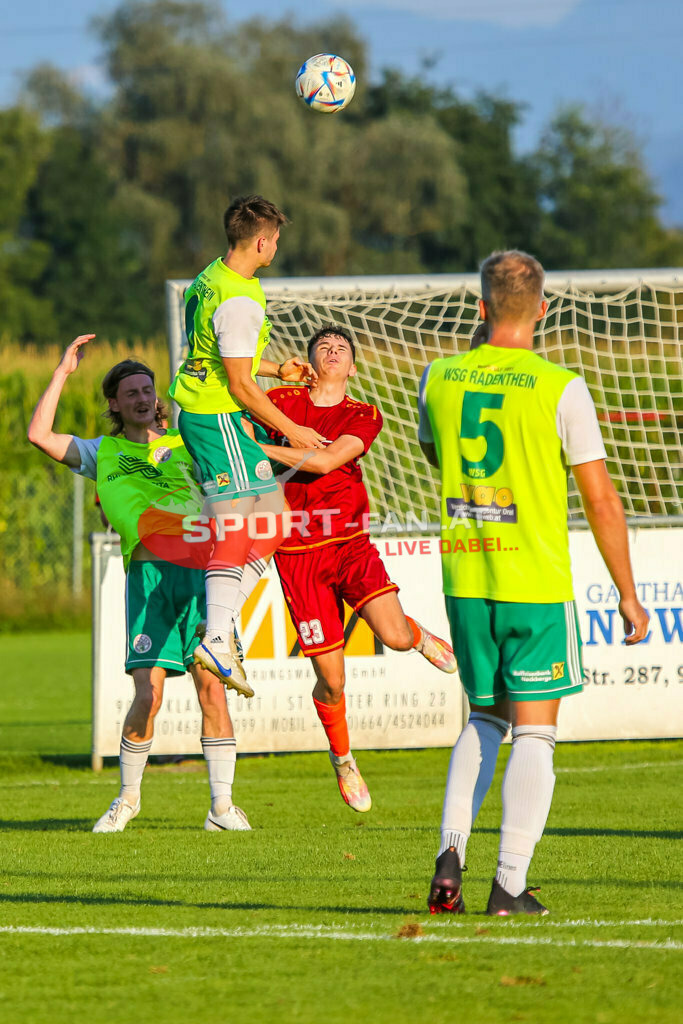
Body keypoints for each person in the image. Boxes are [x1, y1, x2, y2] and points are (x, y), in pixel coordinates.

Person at [419, 250, 649, 915]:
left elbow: (437, 453)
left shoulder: (438, 376)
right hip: (533, 579)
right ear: (542, 308)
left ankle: (449, 851)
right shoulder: (560, 386)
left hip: (467, 577)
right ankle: (508, 884)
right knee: (536, 733)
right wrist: (626, 593)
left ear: (480, 307)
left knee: (482, 718)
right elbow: (601, 500)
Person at [28, 335, 251, 834]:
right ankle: (127, 799)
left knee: (212, 690)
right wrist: (63, 370)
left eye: (148, 390)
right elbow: (40, 435)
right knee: (147, 695)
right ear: (114, 403)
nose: (142, 398)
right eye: (131, 392)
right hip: (149, 578)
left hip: (201, 575)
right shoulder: (100, 451)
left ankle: (221, 808)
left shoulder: (187, 443)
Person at [255, 327, 457, 812]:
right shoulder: (280, 398)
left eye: (341, 348)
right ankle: (343, 759)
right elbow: (231, 402)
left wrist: (257, 450)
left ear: (352, 368)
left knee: (395, 637)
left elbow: (325, 462)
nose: (331, 351)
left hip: (349, 543)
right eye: (322, 346)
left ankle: (418, 635)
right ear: (307, 361)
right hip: (296, 554)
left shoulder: (362, 414)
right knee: (333, 680)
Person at [169, 194, 325, 691]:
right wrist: (294, 429)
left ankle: (220, 625)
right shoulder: (239, 299)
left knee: (275, 521)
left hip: (208, 410)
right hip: (217, 418)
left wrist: (277, 367)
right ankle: (216, 636)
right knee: (240, 524)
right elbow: (237, 385)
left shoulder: (212, 277)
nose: (276, 246)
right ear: (261, 241)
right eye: (275, 238)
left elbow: (219, 356)